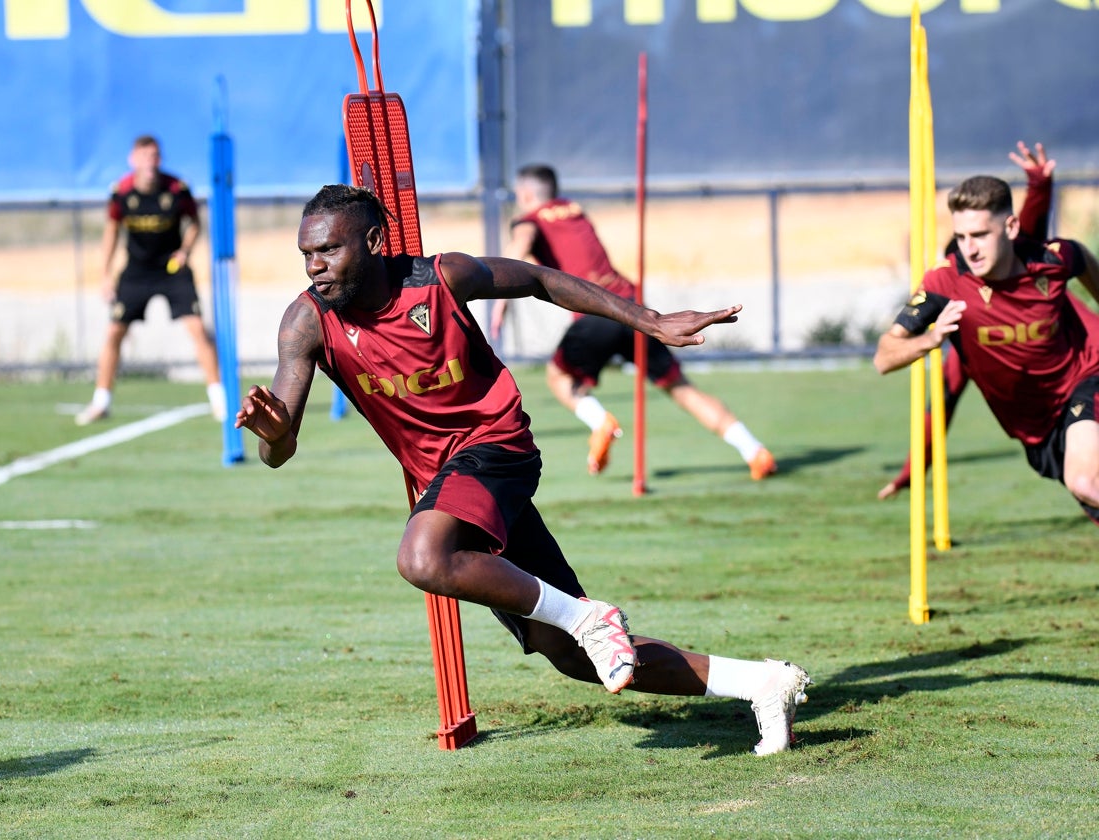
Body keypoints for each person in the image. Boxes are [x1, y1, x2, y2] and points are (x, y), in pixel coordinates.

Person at [236, 185, 812, 754]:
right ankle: (760, 683)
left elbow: (539, 280)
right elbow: (278, 447)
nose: (315, 267)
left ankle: (588, 617)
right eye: (307, 255)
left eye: (328, 251)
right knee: (568, 653)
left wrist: (650, 320)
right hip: (450, 484)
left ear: (374, 240)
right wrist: (272, 434)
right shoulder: (305, 324)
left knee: (422, 558)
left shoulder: (442, 278)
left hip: (496, 444)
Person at [489, 164, 777, 479]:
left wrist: (500, 303)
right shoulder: (574, 210)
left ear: (526, 194)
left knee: (558, 377)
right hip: (635, 309)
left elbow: (520, 244)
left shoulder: (529, 220)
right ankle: (754, 451)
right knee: (681, 388)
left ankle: (601, 423)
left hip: (596, 312)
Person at [873, 165, 1099, 524]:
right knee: (1089, 495)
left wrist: (1040, 184)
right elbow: (884, 358)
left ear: (1009, 228)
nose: (970, 249)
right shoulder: (946, 284)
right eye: (961, 237)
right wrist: (932, 338)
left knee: (1086, 482)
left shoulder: (1052, 259)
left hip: (1088, 378)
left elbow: (1079, 258)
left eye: (979, 235)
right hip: (1037, 431)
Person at [75, 134, 225, 425]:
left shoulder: (176, 189)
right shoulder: (122, 192)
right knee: (114, 333)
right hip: (136, 271)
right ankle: (101, 401)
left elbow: (194, 223)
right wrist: (105, 275)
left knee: (197, 329)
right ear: (133, 160)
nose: (150, 162)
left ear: (160, 159)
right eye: (144, 156)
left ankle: (219, 400)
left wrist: (185, 251)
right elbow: (111, 232)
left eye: (155, 156)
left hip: (171, 269)